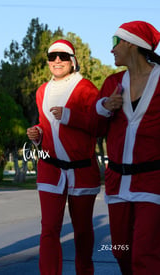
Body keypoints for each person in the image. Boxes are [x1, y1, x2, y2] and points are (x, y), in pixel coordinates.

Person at [27, 39, 101, 275]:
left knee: (82, 231)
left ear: (72, 61)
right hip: (50, 169)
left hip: (81, 170)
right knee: (49, 229)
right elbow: (45, 125)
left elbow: (100, 125)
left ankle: (85, 270)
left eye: (62, 56)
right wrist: (37, 135)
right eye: (52, 56)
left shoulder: (87, 88)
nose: (57, 60)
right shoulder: (41, 91)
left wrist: (70, 116)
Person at [92, 21, 160, 274]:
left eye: (115, 42)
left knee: (145, 252)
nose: (111, 49)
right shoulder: (113, 82)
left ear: (132, 43)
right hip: (117, 181)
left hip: (152, 181)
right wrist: (103, 107)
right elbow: (95, 129)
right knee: (121, 250)